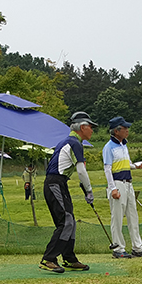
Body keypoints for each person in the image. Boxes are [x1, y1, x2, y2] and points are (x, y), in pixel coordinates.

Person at [40, 112, 97, 274]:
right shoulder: (74, 142)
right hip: (55, 183)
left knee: (70, 220)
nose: (92, 130)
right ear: (82, 127)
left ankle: (69, 258)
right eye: (91, 127)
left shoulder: (71, 141)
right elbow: (81, 171)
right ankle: (49, 258)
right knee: (65, 221)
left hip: (59, 183)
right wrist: (89, 191)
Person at [102, 116, 142, 258]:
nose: (127, 130)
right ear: (117, 131)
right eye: (125, 128)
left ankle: (138, 247)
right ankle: (118, 248)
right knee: (117, 217)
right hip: (117, 183)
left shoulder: (124, 145)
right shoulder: (108, 147)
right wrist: (112, 189)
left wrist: (136, 166)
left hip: (128, 183)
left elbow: (126, 164)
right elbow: (107, 169)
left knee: (133, 216)